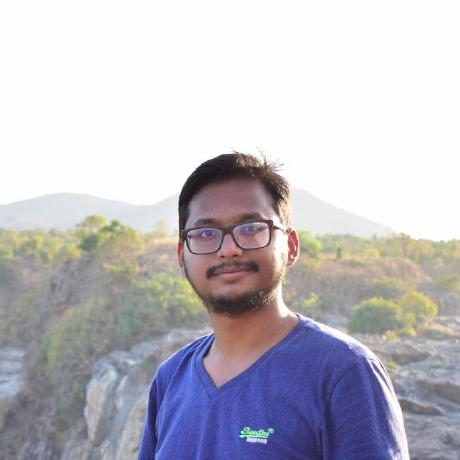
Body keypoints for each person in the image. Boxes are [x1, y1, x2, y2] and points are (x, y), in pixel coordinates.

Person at [138, 152, 409, 459]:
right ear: (181, 256)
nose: (229, 249)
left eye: (251, 228)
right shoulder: (171, 378)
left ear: (290, 247)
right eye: (206, 233)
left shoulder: (343, 371)